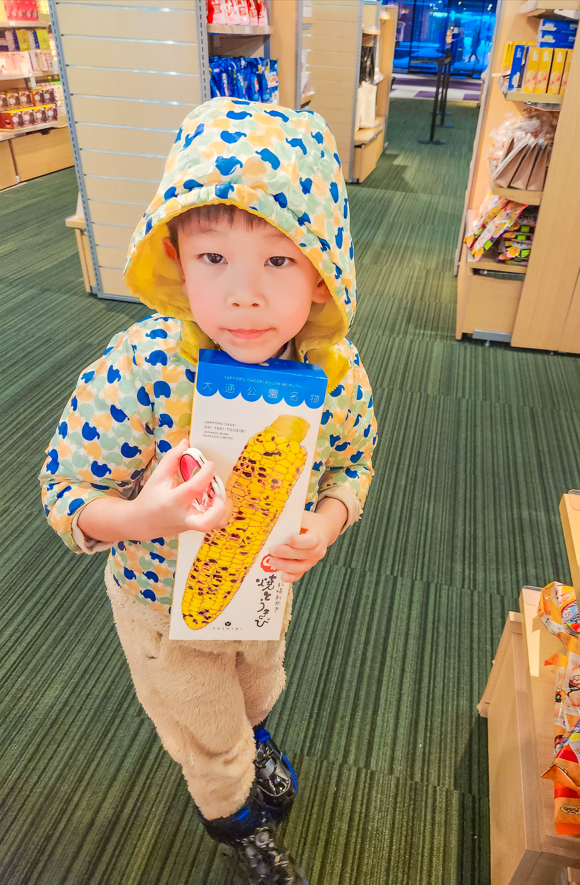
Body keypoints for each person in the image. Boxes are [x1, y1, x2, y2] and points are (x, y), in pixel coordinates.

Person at [39, 98, 377, 885]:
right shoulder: (145, 366)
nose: (244, 296)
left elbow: (352, 466)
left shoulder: (335, 373)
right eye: (213, 259)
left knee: (259, 687)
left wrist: (326, 523)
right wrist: (140, 515)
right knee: (209, 734)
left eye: (280, 261)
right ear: (175, 257)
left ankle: (256, 743)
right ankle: (237, 825)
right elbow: (65, 490)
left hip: (263, 593)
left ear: (324, 276)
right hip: (163, 608)